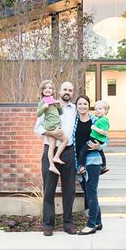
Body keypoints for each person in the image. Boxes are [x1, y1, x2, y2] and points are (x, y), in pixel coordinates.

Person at [34, 81, 78, 236]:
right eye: (65, 89)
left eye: (70, 90)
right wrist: (51, 133)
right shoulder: (48, 104)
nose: (67, 92)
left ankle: (68, 224)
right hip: (50, 152)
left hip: (68, 152)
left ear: (73, 93)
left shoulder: (75, 109)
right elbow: (37, 127)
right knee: (49, 189)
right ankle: (48, 225)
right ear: (59, 90)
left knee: (69, 190)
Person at [74, 94, 106, 235]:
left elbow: (106, 139)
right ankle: (98, 222)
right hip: (79, 163)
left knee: (92, 194)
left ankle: (91, 224)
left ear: (89, 106)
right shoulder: (74, 122)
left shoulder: (96, 120)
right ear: (77, 106)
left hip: (93, 162)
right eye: (80, 104)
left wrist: (98, 146)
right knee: (88, 194)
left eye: (85, 104)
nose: (82, 106)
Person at [35, 79, 66, 175]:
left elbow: (60, 113)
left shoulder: (53, 100)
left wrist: (59, 106)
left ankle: (52, 165)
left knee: (51, 146)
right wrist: (43, 107)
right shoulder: (42, 101)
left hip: (52, 126)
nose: (48, 90)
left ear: (53, 90)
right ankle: (56, 157)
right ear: (42, 90)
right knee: (65, 140)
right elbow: (38, 114)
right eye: (45, 88)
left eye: (50, 88)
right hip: (52, 126)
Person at [77, 100, 109, 176]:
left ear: (106, 111)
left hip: (95, 140)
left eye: (100, 109)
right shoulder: (98, 119)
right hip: (96, 139)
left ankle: (82, 168)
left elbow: (105, 132)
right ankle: (104, 166)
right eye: (96, 109)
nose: (97, 111)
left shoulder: (101, 120)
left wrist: (94, 128)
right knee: (101, 153)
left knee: (83, 152)